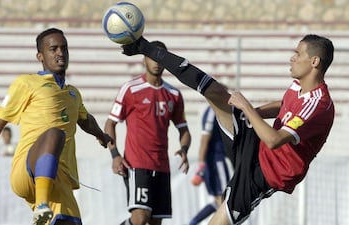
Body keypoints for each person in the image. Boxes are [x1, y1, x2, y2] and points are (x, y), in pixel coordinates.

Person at [121, 34, 334, 225]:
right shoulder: (299, 86)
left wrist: (247, 109)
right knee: (216, 92)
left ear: (314, 61)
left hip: (264, 175)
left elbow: (274, 139)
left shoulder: (319, 105)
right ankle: (147, 47)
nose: (292, 58)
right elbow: (285, 104)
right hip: (257, 148)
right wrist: (252, 113)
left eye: (298, 54)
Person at [0, 28, 112, 225]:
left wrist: (101, 135)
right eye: (53, 49)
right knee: (55, 134)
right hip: (27, 170)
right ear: (40, 56)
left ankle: (43, 210)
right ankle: (41, 204)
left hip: (60, 179)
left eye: (64, 48)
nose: (60, 53)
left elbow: (86, 120)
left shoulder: (73, 94)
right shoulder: (27, 83)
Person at [104, 40, 192, 225]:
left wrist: (184, 149)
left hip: (162, 166)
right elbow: (110, 124)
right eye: (152, 57)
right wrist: (115, 155)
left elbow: (184, 129)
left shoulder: (174, 94)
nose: (157, 62)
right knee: (140, 218)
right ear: (144, 59)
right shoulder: (131, 89)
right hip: (137, 164)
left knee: (155, 222)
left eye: (161, 57)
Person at [189, 106, 232, 225]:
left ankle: (193, 222)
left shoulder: (220, 111)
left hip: (215, 161)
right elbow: (204, 140)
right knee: (225, 200)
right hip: (215, 162)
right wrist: (201, 168)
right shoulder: (212, 112)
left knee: (219, 200)